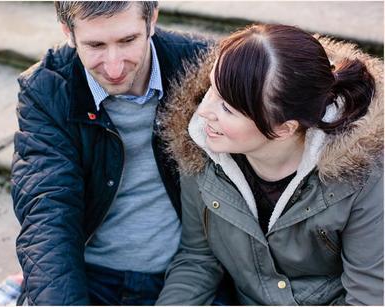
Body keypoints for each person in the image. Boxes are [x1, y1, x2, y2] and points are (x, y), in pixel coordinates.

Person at [156, 24, 383, 305]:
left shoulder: (366, 173)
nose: (203, 111)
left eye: (227, 108)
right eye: (212, 89)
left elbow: (369, 296)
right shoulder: (201, 147)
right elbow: (197, 260)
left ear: (284, 128)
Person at [11, 1, 212, 305]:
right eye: (95, 45)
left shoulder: (201, 65)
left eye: (128, 41)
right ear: (68, 31)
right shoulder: (46, 90)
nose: (114, 67)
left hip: (187, 270)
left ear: (152, 19)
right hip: (90, 275)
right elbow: (47, 209)